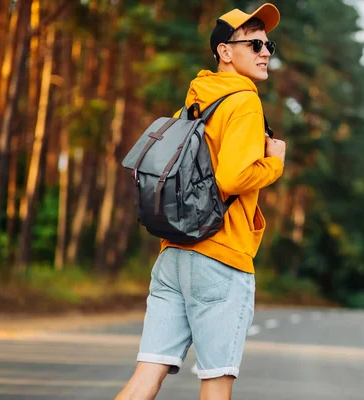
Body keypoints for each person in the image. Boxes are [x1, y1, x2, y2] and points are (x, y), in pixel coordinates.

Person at [115, 3, 286, 400]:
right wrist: (274, 163)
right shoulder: (244, 100)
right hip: (220, 258)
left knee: (146, 376)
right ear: (225, 51)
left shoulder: (193, 104)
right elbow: (233, 177)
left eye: (269, 44)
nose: (265, 52)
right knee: (217, 381)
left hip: (173, 256)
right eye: (254, 43)